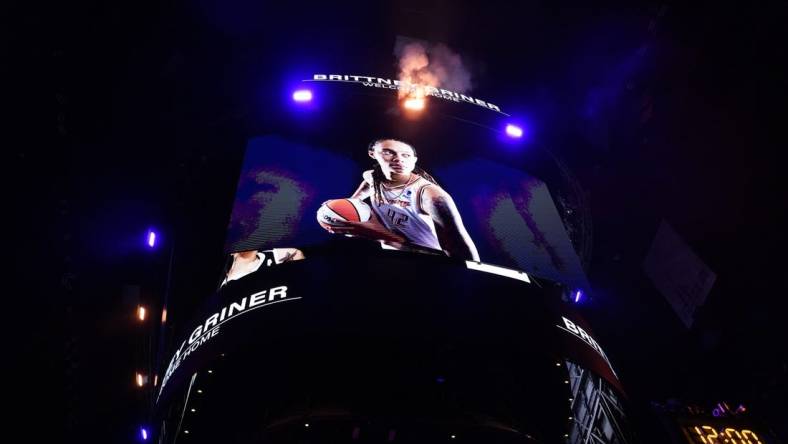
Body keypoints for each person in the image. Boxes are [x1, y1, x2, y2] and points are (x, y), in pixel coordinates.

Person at [325, 138, 480, 261]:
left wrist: (375, 233)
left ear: (414, 160)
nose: (398, 159)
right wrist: (344, 206)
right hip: (393, 260)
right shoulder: (373, 177)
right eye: (388, 152)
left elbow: (458, 252)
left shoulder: (432, 196)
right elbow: (366, 185)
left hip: (429, 264)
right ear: (373, 153)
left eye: (405, 155)